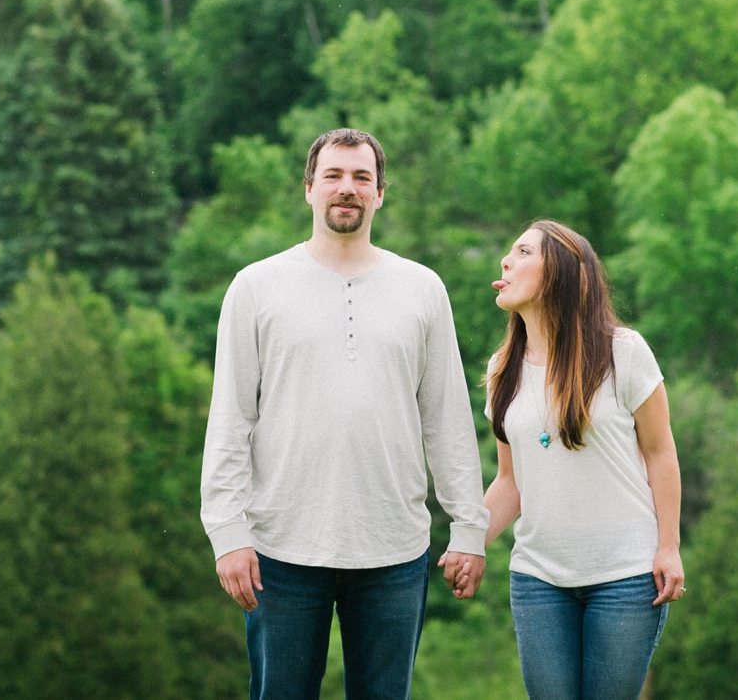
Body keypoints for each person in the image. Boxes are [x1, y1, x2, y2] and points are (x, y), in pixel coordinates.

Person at [201, 128, 490, 700]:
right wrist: (226, 531)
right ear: (309, 188)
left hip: (393, 549)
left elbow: (448, 420)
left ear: (381, 193)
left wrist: (470, 528)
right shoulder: (256, 287)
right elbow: (232, 417)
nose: (347, 189)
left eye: (361, 178)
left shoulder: (423, 290)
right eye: (333, 176)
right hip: (279, 549)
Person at [474, 219, 685, 700]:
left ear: (561, 274)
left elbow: (660, 452)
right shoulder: (502, 368)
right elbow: (510, 482)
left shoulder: (623, 353)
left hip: (626, 578)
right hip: (538, 580)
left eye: (524, 252)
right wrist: (469, 542)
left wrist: (668, 546)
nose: (506, 260)